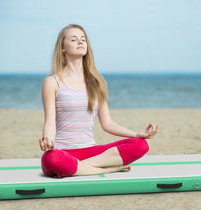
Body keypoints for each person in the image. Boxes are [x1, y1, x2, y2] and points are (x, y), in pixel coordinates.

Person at [39, 24, 159, 178]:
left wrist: (136, 134)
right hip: (63, 152)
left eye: (83, 39)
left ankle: (79, 169)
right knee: (51, 159)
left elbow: (108, 124)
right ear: (63, 48)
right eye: (74, 39)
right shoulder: (52, 82)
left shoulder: (96, 82)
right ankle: (108, 168)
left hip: (91, 152)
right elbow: (49, 122)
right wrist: (48, 140)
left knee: (141, 145)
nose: (80, 42)